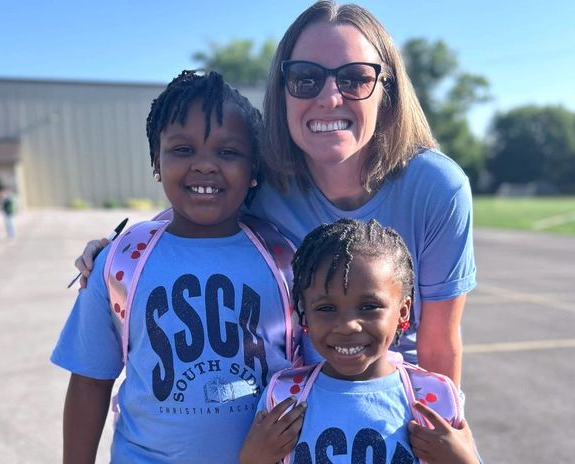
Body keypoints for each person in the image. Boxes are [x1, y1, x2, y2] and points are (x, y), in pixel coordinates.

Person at [75, 1, 476, 387]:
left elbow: (439, 345)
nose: (330, 96)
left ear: (386, 92)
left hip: (392, 409)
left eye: (355, 78)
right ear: (281, 93)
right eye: (306, 78)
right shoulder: (262, 179)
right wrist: (115, 246)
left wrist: (442, 436)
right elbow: (187, 213)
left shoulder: (436, 188)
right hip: (291, 411)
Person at [51, 70, 305, 463]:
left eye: (228, 152)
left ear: (254, 169)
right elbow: (90, 380)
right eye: (183, 149)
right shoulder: (121, 263)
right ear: (156, 159)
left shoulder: (284, 261)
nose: (205, 166)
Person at [240, 219, 479, 464]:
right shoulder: (285, 396)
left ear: (403, 312)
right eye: (326, 308)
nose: (347, 326)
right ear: (305, 315)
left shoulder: (433, 396)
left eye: (369, 306)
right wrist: (253, 458)